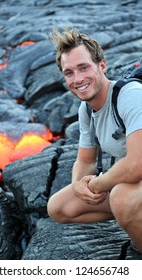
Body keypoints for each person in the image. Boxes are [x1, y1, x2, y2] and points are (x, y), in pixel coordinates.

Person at [47, 26, 142, 253]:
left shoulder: (131, 95)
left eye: (83, 67)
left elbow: (137, 165)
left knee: (122, 198)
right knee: (59, 207)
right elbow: (85, 160)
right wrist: (80, 185)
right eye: (69, 72)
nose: (77, 79)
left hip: (135, 176)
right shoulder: (86, 109)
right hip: (133, 182)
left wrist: (97, 184)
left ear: (102, 65)